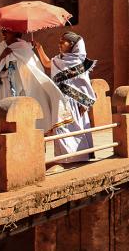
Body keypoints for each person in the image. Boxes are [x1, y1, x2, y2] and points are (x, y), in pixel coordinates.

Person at [0, 30, 72, 150]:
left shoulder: (24, 48)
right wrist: (3, 55)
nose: (3, 33)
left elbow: (33, 71)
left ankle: (21, 145)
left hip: (19, 91)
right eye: (3, 30)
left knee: (18, 118)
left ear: (16, 32)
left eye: (7, 31)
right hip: (2, 89)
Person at [33, 32, 96, 163]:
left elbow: (84, 85)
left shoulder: (79, 62)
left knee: (75, 129)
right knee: (61, 129)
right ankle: (65, 159)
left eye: (63, 42)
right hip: (60, 101)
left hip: (76, 104)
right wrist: (39, 48)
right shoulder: (58, 59)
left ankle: (79, 157)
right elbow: (46, 64)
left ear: (72, 44)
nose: (59, 44)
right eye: (59, 41)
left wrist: (84, 103)